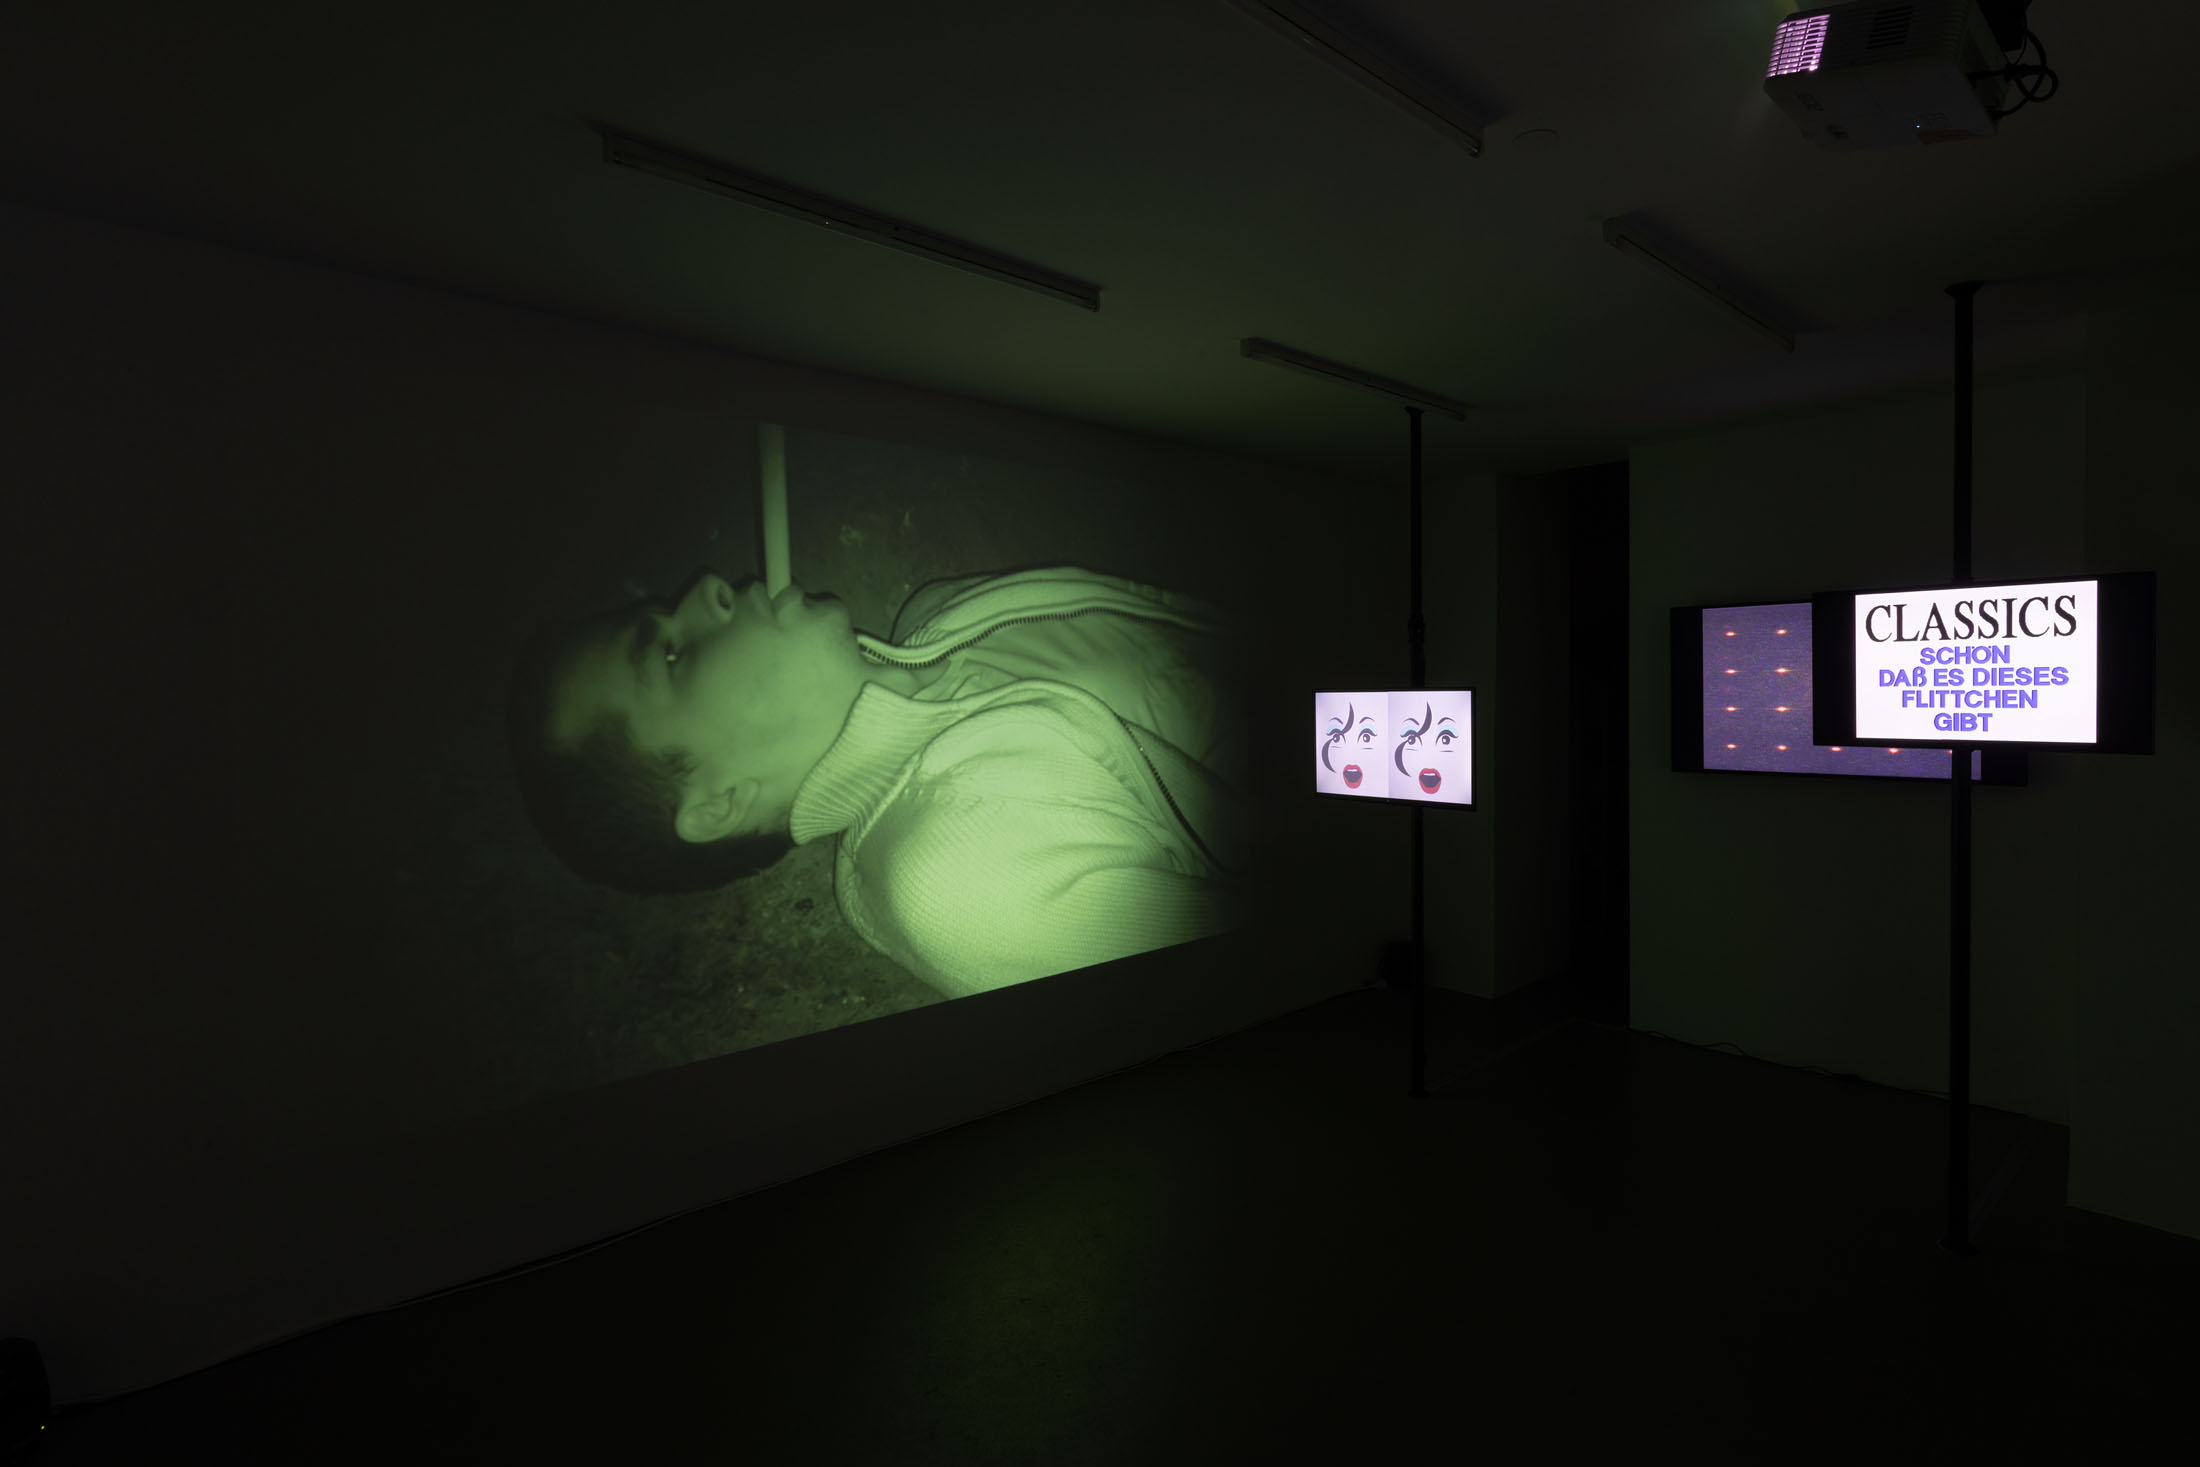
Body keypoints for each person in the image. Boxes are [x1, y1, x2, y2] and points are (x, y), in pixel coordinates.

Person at [507, 565, 1246, 997]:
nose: (706, 588)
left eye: (664, 609)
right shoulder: (965, 886)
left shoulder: (938, 609)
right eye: (672, 657)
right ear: (720, 801)